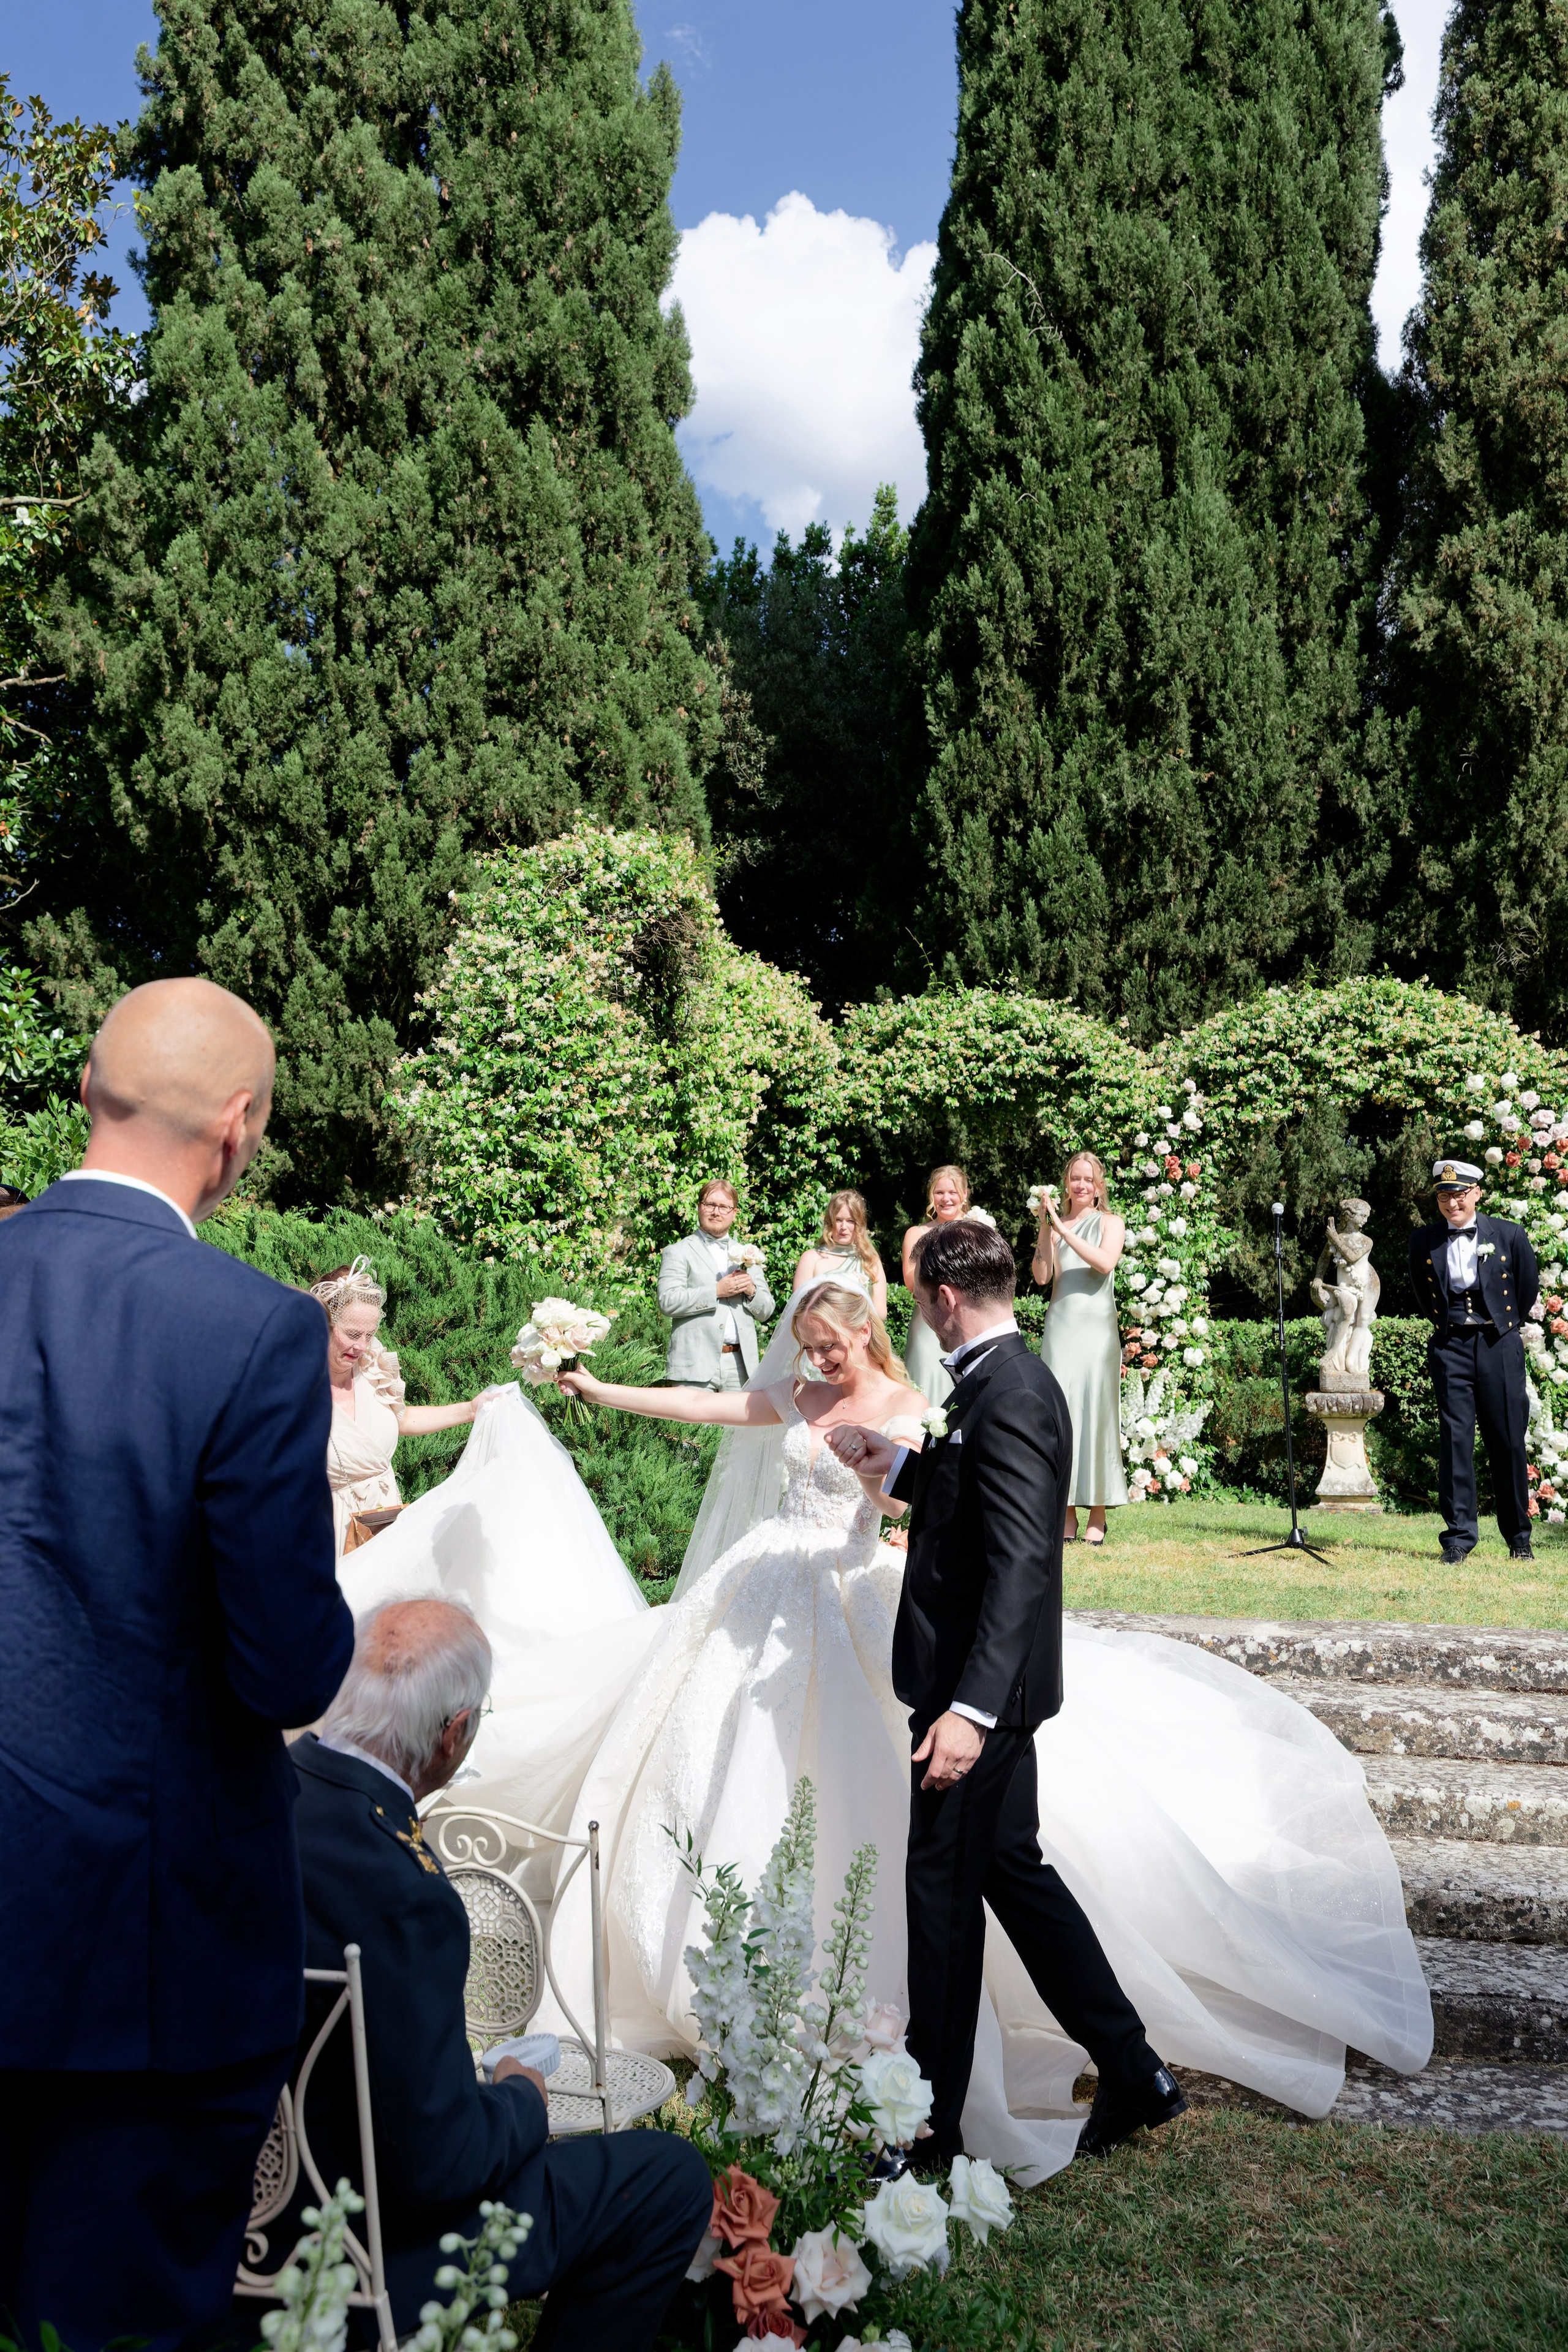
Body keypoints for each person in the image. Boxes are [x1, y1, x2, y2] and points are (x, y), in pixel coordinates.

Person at [0, 978, 355, 2352]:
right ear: (239, 1125)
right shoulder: (248, 1328)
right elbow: (285, 1672)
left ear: (86, 1088)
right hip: (138, 1961)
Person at [832, 1218, 1177, 2161]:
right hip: (983, 1696)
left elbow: (1024, 1562)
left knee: (939, 1903)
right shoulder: (995, 1380)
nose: (921, 1316)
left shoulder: (1013, 1390)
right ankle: (1138, 2071)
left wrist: (969, 1714)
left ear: (945, 1298)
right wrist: (897, 1463)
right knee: (1013, 1878)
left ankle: (925, 2135)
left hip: (976, 1703)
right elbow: (972, 1499)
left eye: (918, 1300)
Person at [286, 1597, 713, 2348]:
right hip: (358, 2256)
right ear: (454, 1736)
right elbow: (438, 2168)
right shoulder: (405, 1893)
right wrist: (521, 2099)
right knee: (667, 2178)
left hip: (230, 2223)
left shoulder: (259, 1800)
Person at [309, 1258, 487, 1554]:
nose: (363, 1346)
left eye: (370, 1334)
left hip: (385, 1519)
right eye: (353, 1335)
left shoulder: (372, 1369)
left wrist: (472, 1409)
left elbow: (402, 1420)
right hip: (323, 1531)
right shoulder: (292, 1387)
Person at [1409, 1158, 1539, 1564]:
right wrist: (1450, 1329)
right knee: (1455, 1442)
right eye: (1445, 1195)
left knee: (1508, 1441)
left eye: (1460, 1194)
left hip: (1498, 1343)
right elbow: (1423, 1293)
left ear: (1477, 1194)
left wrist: (1499, 1325)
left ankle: (1519, 1537)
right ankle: (1459, 1539)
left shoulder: (1509, 1234)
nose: (1453, 1203)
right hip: (1451, 1347)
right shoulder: (1423, 1241)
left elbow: (1528, 1289)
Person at [1031, 1151, 1128, 1544]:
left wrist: (1065, 1229)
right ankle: (1067, 1510)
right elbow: (1041, 1276)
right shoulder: (1054, 1227)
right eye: (1075, 1178)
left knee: (1097, 1412)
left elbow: (1104, 1264)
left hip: (1098, 1332)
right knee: (1061, 1414)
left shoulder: (1110, 1222)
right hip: (1061, 1328)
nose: (1081, 1185)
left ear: (1098, 1185)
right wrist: (1045, 1228)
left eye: (1088, 1179)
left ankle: (1099, 1512)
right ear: (1066, 1182)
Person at [657, 1178, 776, 1389]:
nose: (716, 1212)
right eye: (710, 1204)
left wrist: (751, 1291)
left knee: (737, 1424)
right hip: (693, 1365)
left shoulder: (748, 1254)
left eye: (724, 1207)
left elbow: (767, 1310)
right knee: (694, 1423)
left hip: (741, 1366)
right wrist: (716, 1291)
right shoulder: (678, 1251)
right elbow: (668, 1301)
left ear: (734, 1212)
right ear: (699, 1207)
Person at [901, 1164, 990, 1411]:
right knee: (926, 1387)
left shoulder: (978, 1231)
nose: (946, 1199)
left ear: (965, 1194)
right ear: (932, 1196)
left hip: (967, 1322)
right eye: (940, 1193)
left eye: (952, 1192)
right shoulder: (916, 1233)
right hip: (927, 1326)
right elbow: (911, 1281)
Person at [793, 1188, 888, 1314]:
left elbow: (881, 1313)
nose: (844, 1227)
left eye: (850, 1221)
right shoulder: (811, 1258)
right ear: (830, 1222)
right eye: (838, 1220)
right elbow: (798, 1306)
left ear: (859, 1224)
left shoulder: (871, 1262)